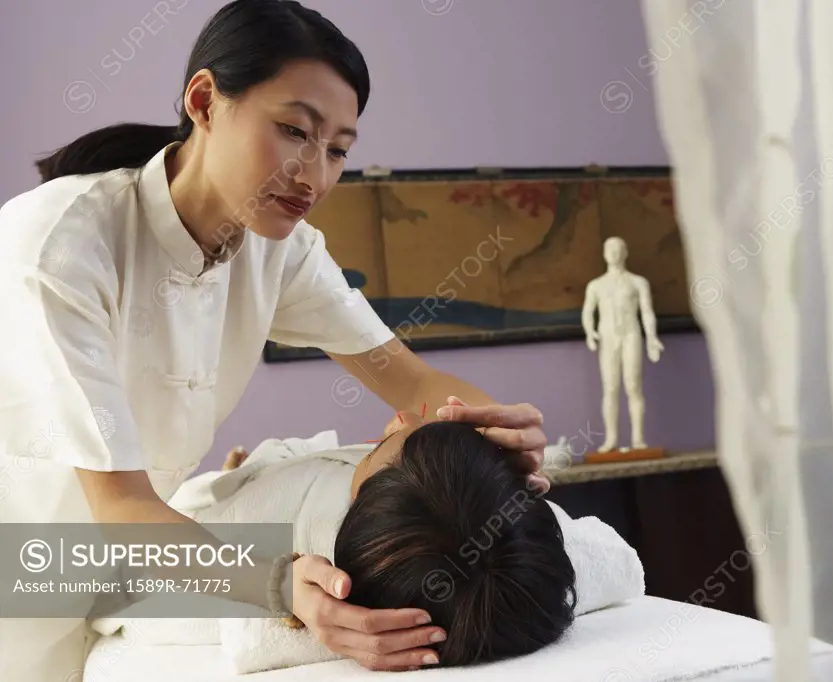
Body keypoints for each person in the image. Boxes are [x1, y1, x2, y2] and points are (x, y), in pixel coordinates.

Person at [0, 1, 550, 679]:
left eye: (339, 149)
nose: (315, 175)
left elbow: (408, 381)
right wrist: (281, 587)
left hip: (129, 568)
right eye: (294, 130)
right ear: (204, 101)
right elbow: (121, 508)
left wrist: (494, 439)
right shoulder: (61, 245)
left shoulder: (277, 252)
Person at [336, 418, 577, 668]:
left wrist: (290, 586)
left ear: (364, 499)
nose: (404, 419)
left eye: (386, 451)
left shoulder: (304, 507)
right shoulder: (517, 535)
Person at [581, 237, 664, 452]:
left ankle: (638, 438)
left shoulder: (637, 282)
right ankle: (611, 439)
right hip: (608, 336)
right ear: (604, 253)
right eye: (610, 249)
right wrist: (590, 332)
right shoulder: (596, 285)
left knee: (633, 385)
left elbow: (646, 312)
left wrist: (652, 338)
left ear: (625, 252)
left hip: (630, 334)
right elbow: (588, 312)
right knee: (610, 387)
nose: (614, 253)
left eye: (618, 249)